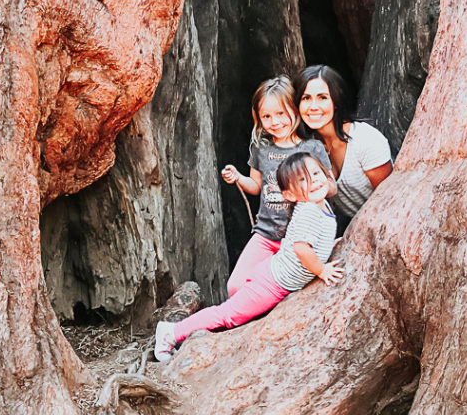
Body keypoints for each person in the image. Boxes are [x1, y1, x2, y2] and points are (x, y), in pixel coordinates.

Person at [155, 152, 342, 362]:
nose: (314, 181)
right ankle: (171, 332)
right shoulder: (309, 211)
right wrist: (322, 270)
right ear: (290, 195)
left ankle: (176, 332)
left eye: (316, 173)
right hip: (272, 283)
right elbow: (301, 248)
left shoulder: (320, 204)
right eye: (303, 180)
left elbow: (315, 241)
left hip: (274, 276)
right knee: (228, 314)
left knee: (233, 313)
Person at [220, 76, 333, 297]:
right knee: (236, 287)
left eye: (281, 113)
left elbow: (332, 186)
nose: (275, 122)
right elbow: (256, 186)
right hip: (266, 234)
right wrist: (238, 177)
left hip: (301, 238)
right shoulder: (261, 149)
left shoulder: (312, 148)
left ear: (295, 109)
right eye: (267, 116)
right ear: (258, 118)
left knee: (289, 290)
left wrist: (311, 190)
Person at [295, 65, 394, 224]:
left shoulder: (365, 139)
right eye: (306, 98)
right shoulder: (309, 148)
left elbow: (391, 199)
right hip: (357, 227)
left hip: (391, 222)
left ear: (336, 101)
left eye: (322, 98)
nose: (313, 107)